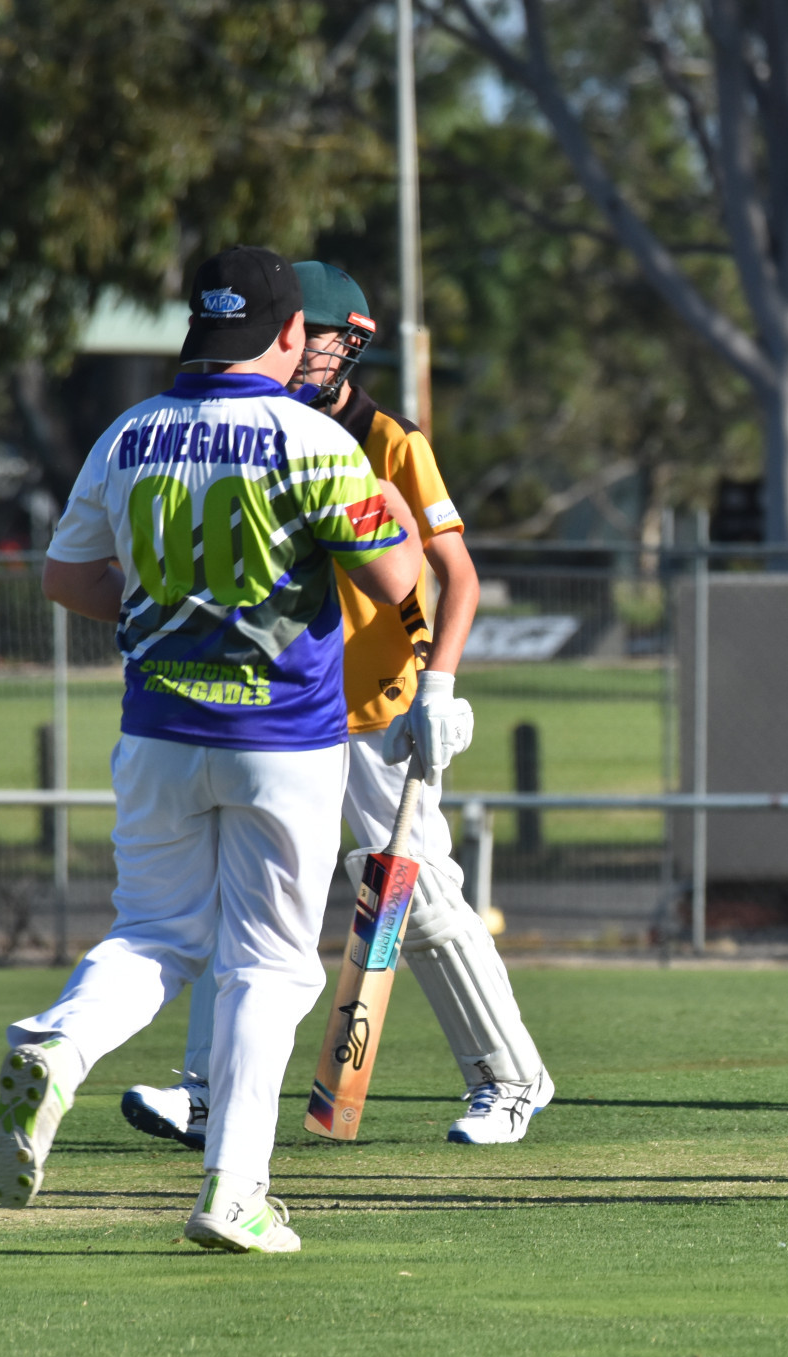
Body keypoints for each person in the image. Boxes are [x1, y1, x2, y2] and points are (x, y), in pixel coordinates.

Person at [0, 247, 422, 1251]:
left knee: (154, 937)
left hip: (158, 734)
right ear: (288, 334)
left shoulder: (127, 434)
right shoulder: (310, 440)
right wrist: (388, 513)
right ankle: (235, 1192)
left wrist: (156, 613)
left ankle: (60, 1040)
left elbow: (67, 578)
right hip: (285, 742)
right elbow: (396, 581)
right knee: (267, 966)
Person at [117, 261, 552, 1152]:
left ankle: (511, 1081)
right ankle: (206, 1092)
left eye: (317, 333)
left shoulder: (391, 440)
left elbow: (455, 575)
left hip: (371, 712)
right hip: (276, 710)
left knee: (417, 897)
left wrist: (438, 686)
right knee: (244, 898)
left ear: (349, 341)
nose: (300, 345)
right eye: (296, 330)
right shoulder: (244, 424)